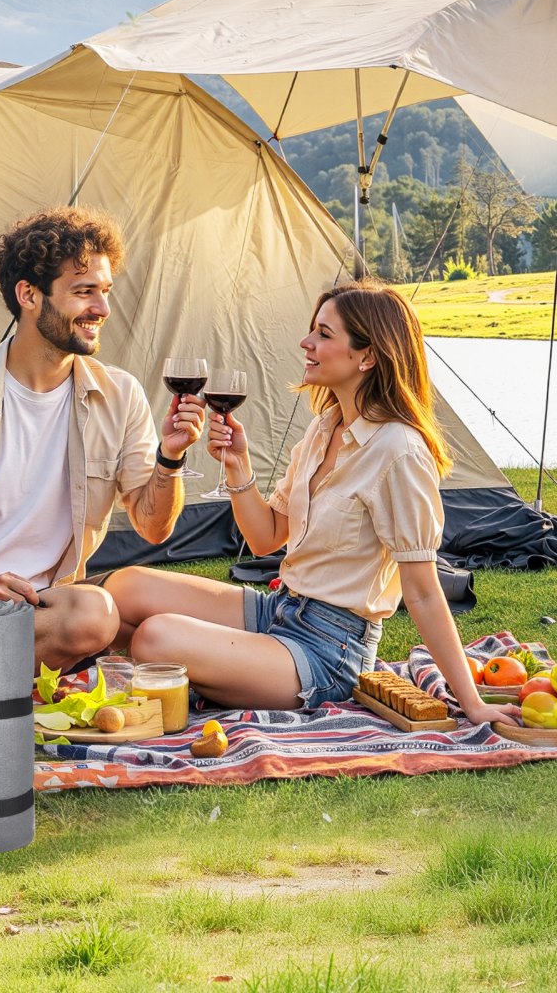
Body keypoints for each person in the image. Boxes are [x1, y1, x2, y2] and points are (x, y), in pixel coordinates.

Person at [103, 280, 522, 726]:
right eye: (312, 330)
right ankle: (204, 675)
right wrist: (238, 465)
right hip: (280, 607)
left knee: (156, 639)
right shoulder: (325, 427)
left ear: (367, 356)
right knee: (125, 589)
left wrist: (471, 703)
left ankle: (195, 676)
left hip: (330, 650)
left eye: (324, 334)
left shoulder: (399, 450)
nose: (306, 342)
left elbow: (421, 592)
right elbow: (266, 538)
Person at [0, 206, 205, 671]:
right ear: (29, 295)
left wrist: (170, 457)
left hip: (50, 602)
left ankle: (290, 643)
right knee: (94, 616)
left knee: (167, 601)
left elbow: (154, 527)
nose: (103, 309)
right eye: (84, 292)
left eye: (105, 292)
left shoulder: (120, 394)